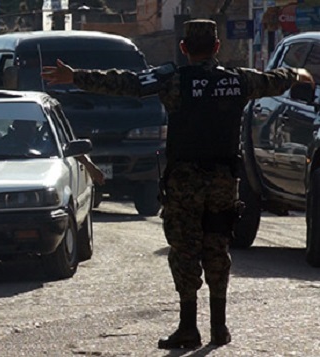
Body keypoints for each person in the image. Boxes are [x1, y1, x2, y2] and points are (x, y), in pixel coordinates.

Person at [41, 19, 314, 349]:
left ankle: (188, 328)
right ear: (217, 47)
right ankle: (219, 327)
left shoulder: (172, 80)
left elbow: (127, 84)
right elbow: (278, 79)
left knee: (184, 251)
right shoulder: (239, 80)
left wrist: (75, 77)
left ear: (184, 48)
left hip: (185, 181)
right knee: (217, 247)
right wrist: (299, 74)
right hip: (223, 180)